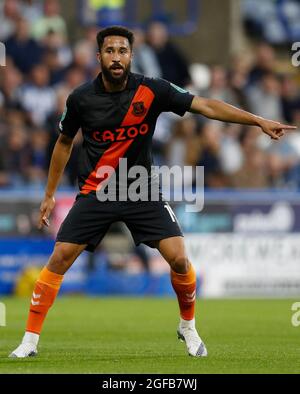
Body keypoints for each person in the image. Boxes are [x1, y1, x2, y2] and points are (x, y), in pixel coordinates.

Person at [9, 26, 295, 359]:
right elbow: (62, 143)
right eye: (110, 51)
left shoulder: (152, 90)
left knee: (178, 257)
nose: (117, 57)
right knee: (59, 258)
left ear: (131, 55)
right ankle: (29, 340)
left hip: (141, 190)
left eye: (123, 51)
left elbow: (206, 106)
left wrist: (257, 120)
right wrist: (49, 194)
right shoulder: (80, 99)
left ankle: (187, 326)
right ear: (99, 55)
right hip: (96, 191)